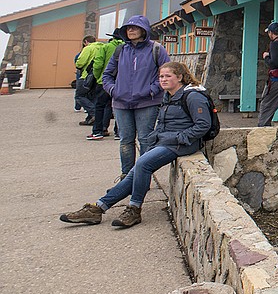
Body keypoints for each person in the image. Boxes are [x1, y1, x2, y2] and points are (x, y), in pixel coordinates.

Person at [60, 61, 212, 228]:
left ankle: (134, 208)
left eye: (168, 76)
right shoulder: (169, 95)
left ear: (180, 77)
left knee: (142, 164)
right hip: (167, 140)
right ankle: (98, 209)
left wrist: (181, 137)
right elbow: (165, 123)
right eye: (161, 76)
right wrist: (157, 137)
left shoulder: (193, 96)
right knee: (135, 172)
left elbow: (203, 125)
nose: (163, 79)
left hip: (181, 144)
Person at [102, 15, 169, 180]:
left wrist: (152, 90)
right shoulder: (120, 51)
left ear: (144, 30)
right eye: (128, 28)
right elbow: (107, 75)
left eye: (134, 27)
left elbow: (167, 73)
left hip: (147, 102)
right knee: (125, 140)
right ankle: (127, 176)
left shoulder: (156, 49)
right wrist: (113, 90)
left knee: (146, 140)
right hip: (121, 103)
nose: (130, 30)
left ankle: (142, 175)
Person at [77, 35, 121, 139]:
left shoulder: (105, 47)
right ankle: (118, 132)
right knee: (117, 107)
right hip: (121, 82)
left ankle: (99, 130)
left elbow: (97, 64)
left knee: (100, 106)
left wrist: (97, 77)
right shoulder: (126, 47)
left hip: (104, 81)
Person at [74, 35, 97, 122]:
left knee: (79, 96)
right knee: (92, 97)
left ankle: (93, 113)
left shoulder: (88, 48)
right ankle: (90, 118)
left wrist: (78, 65)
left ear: (86, 42)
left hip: (86, 76)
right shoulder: (101, 48)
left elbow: (80, 62)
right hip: (96, 76)